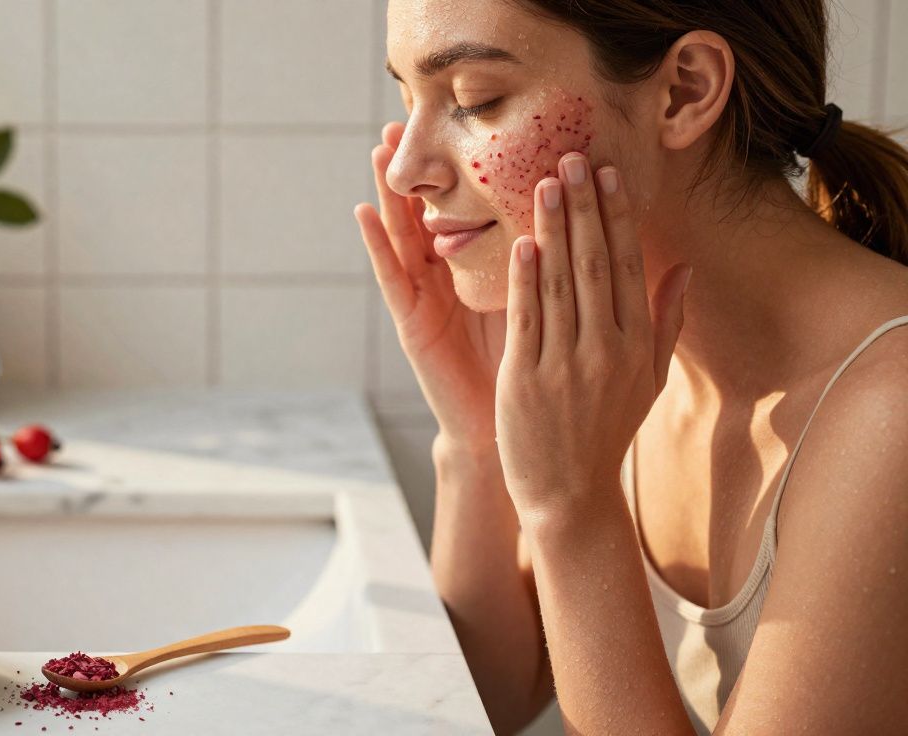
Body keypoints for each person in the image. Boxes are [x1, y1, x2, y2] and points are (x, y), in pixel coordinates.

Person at [354, 1, 908, 733]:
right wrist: (478, 439)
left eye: (473, 101)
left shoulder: (888, 417)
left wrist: (571, 510)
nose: (403, 170)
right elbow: (494, 693)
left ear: (685, 90)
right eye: (406, 99)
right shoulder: (615, 360)